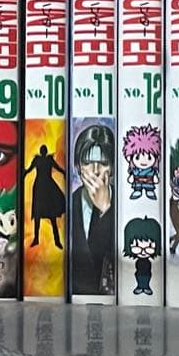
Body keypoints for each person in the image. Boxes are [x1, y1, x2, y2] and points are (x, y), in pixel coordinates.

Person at [70, 124, 115, 295]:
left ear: (112, 167)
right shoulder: (69, 203)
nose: (95, 171)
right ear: (78, 167)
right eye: (87, 163)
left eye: (103, 163)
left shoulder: (123, 205)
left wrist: (106, 209)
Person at [24, 144, 66, 249]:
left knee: (51, 215)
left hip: (46, 187)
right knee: (39, 215)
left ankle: (56, 241)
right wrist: (23, 173)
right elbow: (29, 170)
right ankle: (37, 239)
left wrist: (64, 172)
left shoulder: (48, 160)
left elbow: (58, 168)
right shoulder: (38, 160)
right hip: (40, 188)